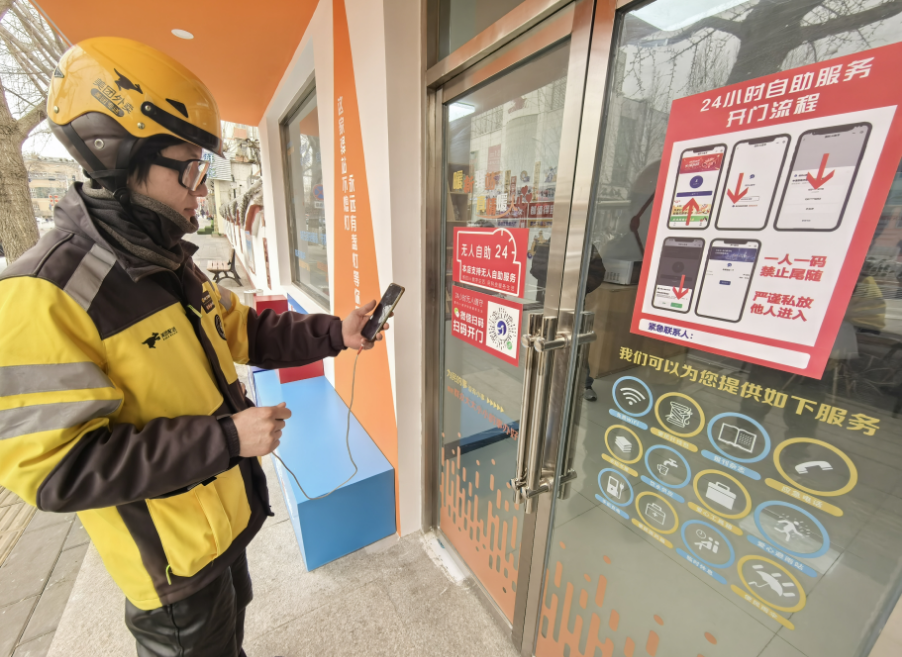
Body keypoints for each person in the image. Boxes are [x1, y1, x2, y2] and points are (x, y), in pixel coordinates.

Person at [0, 37, 387, 657]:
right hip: (171, 571)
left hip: (221, 528)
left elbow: (245, 331)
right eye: (188, 169)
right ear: (121, 156)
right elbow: (59, 471)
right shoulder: (44, 295)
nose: (199, 190)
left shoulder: (167, 262)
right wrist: (226, 439)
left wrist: (334, 333)